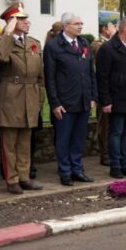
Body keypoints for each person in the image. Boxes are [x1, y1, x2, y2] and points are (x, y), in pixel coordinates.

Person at [0, 3, 45, 194]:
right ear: (11, 21)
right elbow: (1, 58)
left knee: (25, 142)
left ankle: (24, 177)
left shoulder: (33, 43)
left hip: (30, 96)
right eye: (21, 19)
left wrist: (40, 99)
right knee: (9, 143)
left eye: (25, 18)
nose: (27, 22)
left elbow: (40, 77)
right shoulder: (0, 42)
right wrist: (7, 34)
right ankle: (12, 180)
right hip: (10, 98)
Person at [44, 12, 97, 186]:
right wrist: (55, 103)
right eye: (77, 24)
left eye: (81, 23)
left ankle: (77, 169)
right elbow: (49, 78)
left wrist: (92, 96)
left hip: (83, 99)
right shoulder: (54, 46)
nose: (81, 26)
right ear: (66, 26)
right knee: (64, 139)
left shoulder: (83, 43)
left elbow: (90, 72)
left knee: (79, 138)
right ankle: (65, 171)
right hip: (65, 102)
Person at [96, 17, 126, 177]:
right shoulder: (108, 48)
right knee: (116, 132)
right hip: (117, 97)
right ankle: (115, 165)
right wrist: (106, 100)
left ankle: (125, 163)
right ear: (125, 31)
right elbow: (102, 76)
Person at [92, 20, 117, 166]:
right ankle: (105, 154)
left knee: (116, 125)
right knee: (105, 124)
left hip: (116, 89)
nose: (116, 29)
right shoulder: (97, 44)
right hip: (103, 89)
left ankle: (115, 153)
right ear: (104, 29)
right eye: (113, 26)